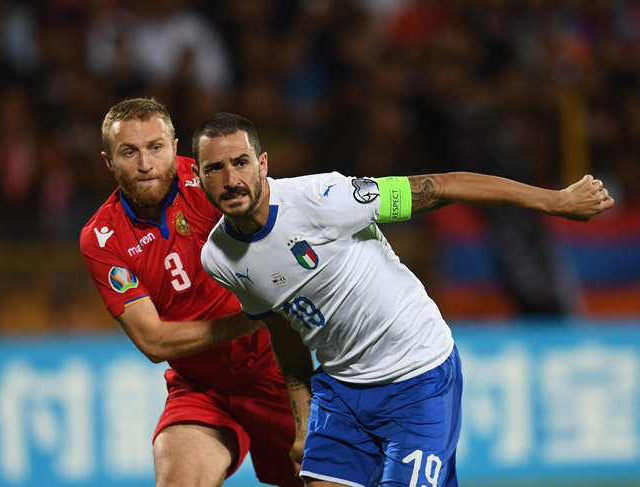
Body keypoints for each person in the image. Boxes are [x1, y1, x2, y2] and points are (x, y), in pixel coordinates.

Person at [192, 112, 615, 487]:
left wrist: (555, 201)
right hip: (341, 391)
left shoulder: (325, 199)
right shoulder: (219, 258)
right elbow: (284, 333)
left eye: (241, 162)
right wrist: (302, 423)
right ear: (198, 175)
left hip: (418, 376)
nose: (231, 180)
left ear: (263, 164)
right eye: (215, 169)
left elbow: (445, 185)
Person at [79, 98, 302, 487]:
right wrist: (251, 319)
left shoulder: (212, 181)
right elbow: (153, 341)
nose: (145, 164)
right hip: (201, 388)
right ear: (108, 161)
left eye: (155, 147)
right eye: (129, 152)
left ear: (175, 147)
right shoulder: (102, 237)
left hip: (275, 371)